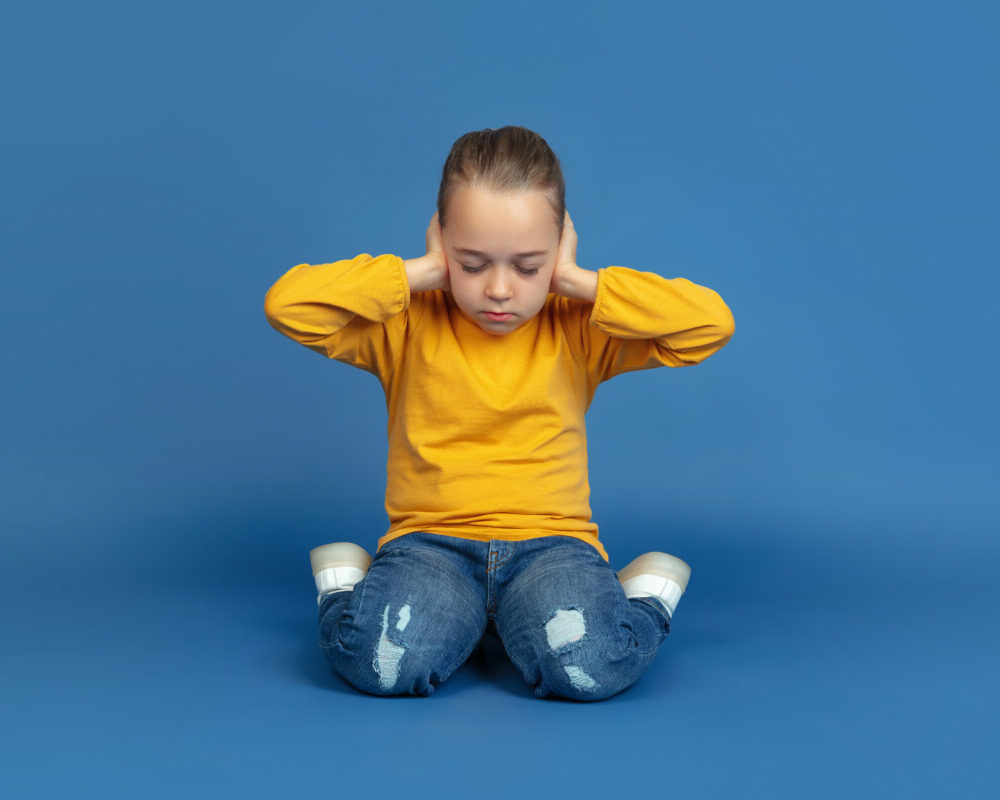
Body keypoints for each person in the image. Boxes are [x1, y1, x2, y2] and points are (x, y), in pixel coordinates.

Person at [263, 125, 735, 700]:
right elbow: (288, 305)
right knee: (382, 664)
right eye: (471, 263)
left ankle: (642, 599)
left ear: (560, 244)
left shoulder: (576, 325)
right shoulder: (407, 322)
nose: (500, 290)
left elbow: (710, 325)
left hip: (551, 547)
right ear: (440, 238)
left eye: (529, 267)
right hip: (431, 546)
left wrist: (575, 282)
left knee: (588, 669)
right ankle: (345, 588)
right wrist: (419, 272)